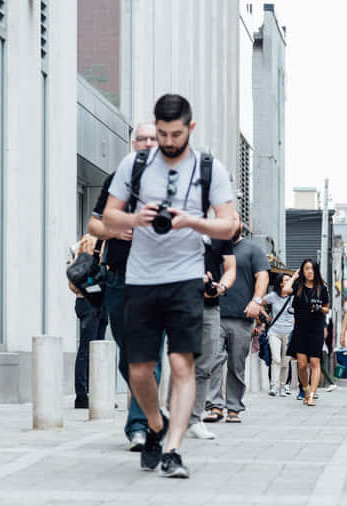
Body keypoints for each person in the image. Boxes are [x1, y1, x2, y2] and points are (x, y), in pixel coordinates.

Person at [103, 94, 236, 477]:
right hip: (141, 278)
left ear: (190, 129)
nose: (167, 141)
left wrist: (191, 222)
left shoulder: (210, 168)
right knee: (139, 370)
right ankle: (156, 426)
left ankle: (173, 450)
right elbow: (108, 216)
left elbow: (229, 225)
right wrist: (135, 218)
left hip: (185, 277)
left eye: (175, 134)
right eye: (161, 133)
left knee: (182, 364)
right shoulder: (136, 163)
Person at [88, 122, 160, 450]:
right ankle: (146, 410)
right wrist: (114, 231)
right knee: (128, 355)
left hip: (156, 279)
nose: (146, 143)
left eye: (152, 139)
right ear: (134, 144)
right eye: (141, 138)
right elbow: (93, 224)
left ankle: (139, 426)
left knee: (148, 355)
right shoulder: (117, 180)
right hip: (118, 277)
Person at [209, 221, 270, 422]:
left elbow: (262, 277)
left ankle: (233, 407)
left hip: (242, 317)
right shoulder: (213, 247)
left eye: (234, 220)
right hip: (214, 313)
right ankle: (215, 406)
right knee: (213, 361)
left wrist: (256, 300)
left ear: (240, 225)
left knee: (237, 364)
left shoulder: (253, 250)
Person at [183, 230, 236, 440]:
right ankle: (172, 416)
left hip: (210, 307)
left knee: (205, 365)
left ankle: (195, 420)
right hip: (181, 303)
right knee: (181, 362)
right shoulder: (178, 226)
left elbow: (230, 268)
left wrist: (220, 286)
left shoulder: (219, 233)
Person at [68, 234, 108, 410]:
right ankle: (82, 396)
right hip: (89, 299)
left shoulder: (105, 241)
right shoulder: (90, 241)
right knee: (88, 349)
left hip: (97, 300)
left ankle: (95, 394)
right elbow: (82, 273)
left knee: (97, 350)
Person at [283, 259, 330, 406]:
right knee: (302, 365)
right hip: (300, 329)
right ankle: (306, 389)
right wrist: (294, 277)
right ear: (302, 271)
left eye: (312, 269)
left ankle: (312, 396)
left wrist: (320, 309)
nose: (309, 271)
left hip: (316, 328)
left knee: (315, 362)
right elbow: (285, 291)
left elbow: (327, 308)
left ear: (316, 271)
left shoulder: (322, 288)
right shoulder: (298, 286)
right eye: (306, 269)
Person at [263, 273, 294, 397]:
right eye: (286, 280)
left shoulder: (293, 298)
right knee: (276, 359)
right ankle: (274, 386)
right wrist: (267, 316)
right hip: (274, 331)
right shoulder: (273, 296)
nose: (289, 282)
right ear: (281, 283)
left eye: (290, 280)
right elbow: (259, 302)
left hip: (289, 332)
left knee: (286, 362)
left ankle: (282, 386)